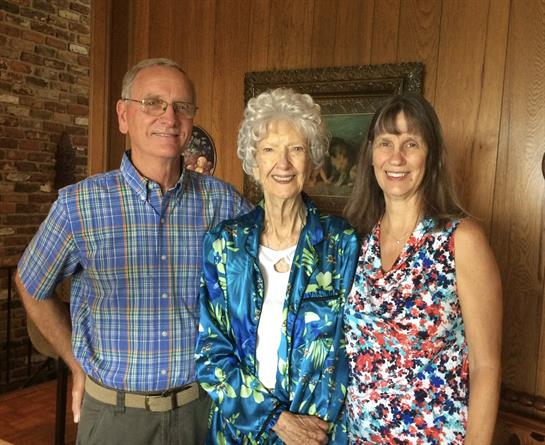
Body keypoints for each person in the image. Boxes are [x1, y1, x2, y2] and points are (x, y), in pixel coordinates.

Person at [15, 58, 250, 445]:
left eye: (182, 107)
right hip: (113, 418)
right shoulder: (79, 205)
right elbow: (30, 284)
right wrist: (75, 364)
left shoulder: (224, 203)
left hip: (202, 410)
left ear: (191, 121)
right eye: (153, 103)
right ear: (123, 115)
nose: (169, 117)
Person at [195, 88, 359, 444]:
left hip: (319, 435)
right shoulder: (226, 244)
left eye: (296, 149)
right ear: (253, 163)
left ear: (312, 163)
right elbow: (211, 355)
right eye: (269, 149)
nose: (282, 164)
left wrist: (313, 430)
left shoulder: (340, 243)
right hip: (238, 433)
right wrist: (276, 420)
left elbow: (354, 349)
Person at [343, 94, 502, 444]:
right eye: (385, 143)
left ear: (430, 158)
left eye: (410, 143)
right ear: (371, 156)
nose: (396, 158)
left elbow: (486, 368)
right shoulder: (355, 240)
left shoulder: (462, 241)